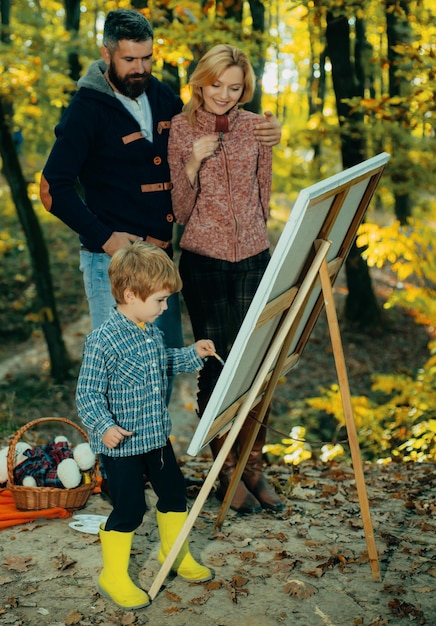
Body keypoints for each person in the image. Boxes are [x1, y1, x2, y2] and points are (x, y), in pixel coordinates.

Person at [39, 8, 281, 340]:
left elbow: (205, 124)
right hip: (113, 263)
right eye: (129, 59)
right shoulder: (86, 109)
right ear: (106, 54)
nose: (140, 69)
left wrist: (266, 131)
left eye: (147, 58)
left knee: (162, 372)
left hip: (162, 258)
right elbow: (53, 190)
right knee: (128, 377)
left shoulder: (161, 93)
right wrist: (106, 239)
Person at [168, 44, 284, 515]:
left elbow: (264, 194)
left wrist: (272, 140)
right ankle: (224, 471)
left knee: (259, 362)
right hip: (204, 262)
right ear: (201, 82)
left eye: (235, 88)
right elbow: (178, 210)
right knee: (218, 365)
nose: (225, 95)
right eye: (217, 85)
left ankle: (252, 469)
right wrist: (193, 163)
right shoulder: (179, 129)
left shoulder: (256, 126)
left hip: (255, 257)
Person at [75, 242, 216, 610]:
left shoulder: (149, 330)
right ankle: (113, 575)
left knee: (174, 495)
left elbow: (163, 362)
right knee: (131, 509)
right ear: (130, 294)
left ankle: (174, 553)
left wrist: (191, 354)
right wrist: (104, 426)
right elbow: (87, 394)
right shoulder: (102, 341)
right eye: (160, 300)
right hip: (121, 448)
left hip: (156, 438)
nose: (165, 307)